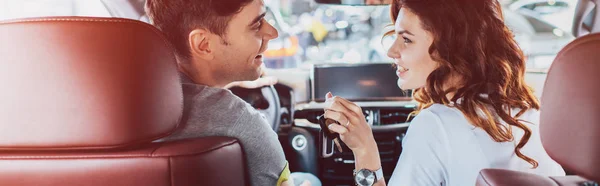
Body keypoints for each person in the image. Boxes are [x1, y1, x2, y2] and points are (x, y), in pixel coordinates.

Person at [322, 0, 565, 185]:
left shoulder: (436, 125)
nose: (392, 51)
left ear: (451, 49)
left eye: (406, 40)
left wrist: (364, 149)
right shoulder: (533, 113)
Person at [145, 0, 317, 186]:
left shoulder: (129, 108)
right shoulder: (240, 120)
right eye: (257, 24)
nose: (272, 33)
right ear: (204, 44)